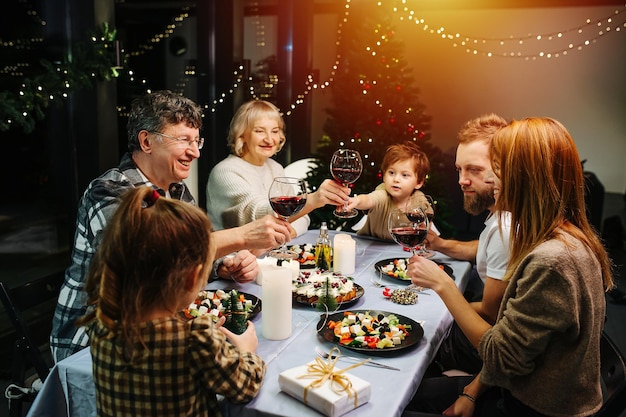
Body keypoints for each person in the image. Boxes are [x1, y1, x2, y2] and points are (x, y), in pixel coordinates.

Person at [51, 91, 292, 363]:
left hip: (157, 326)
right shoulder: (109, 192)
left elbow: (193, 247)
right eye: (183, 140)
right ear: (146, 141)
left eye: (197, 140)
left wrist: (222, 265)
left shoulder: (175, 190)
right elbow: (152, 258)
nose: (196, 151)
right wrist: (243, 236)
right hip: (95, 342)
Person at [405, 117, 613, 417]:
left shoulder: (552, 261)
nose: (494, 181)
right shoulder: (562, 235)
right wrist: (472, 392)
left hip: (533, 407)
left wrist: (444, 285)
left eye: (499, 170)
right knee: (413, 391)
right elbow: (514, 347)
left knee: (399, 404)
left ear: (528, 176)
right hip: (513, 385)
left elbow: (500, 355)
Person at [77, 187, 265, 417]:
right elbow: (245, 386)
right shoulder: (196, 340)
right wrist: (247, 351)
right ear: (192, 278)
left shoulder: (101, 325)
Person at [426, 114, 511, 374]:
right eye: (459, 170)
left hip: (491, 353)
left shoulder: (505, 230)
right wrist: (439, 244)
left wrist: (437, 300)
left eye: (473, 169)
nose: (462, 180)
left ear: (504, 167)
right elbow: (483, 250)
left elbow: (489, 314)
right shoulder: (503, 211)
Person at [206, 99, 349, 237]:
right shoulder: (225, 172)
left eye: (274, 131)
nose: (269, 139)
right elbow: (258, 217)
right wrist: (313, 199)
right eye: (259, 131)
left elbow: (303, 219)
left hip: (266, 253)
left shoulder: (275, 168)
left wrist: (285, 233)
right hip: (232, 258)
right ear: (242, 135)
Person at [345, 141, 430, 241]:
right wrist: (358, 200)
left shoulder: (419, 199)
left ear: (419, 182)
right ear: (384, 175)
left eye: (405, 175)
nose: (396, 179)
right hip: (370, 245)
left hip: (400, 251)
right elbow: (370, 199)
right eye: (391, 173)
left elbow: (428, 221)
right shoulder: (383, 193)